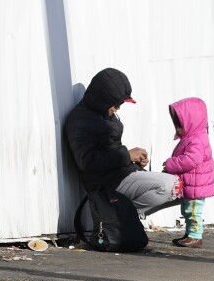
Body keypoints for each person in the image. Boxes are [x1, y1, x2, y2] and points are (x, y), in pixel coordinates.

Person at [63, 67, 180, 213]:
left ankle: (123, 222)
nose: (118, 107)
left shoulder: (103, 113)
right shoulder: (79, 121)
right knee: (170, 185)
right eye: (116, 102)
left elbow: (111, 150)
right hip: (106, 184)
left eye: (121, 103)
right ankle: (115, 220)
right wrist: (127, 155)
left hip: (121, 174)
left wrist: (132, 160)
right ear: (102, 98)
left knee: (186, 187)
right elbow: (87, 162)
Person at [161, 97, 214, 247]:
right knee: (188, 211)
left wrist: (171, 164)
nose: (177, 128)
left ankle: (195, 236)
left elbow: (191, 160)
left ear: (191, 122)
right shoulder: (193, 137)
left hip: (196, 185)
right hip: (192, 184)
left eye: (179, 124)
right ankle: (190, 233)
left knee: (192, 212)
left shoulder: (196, 140)